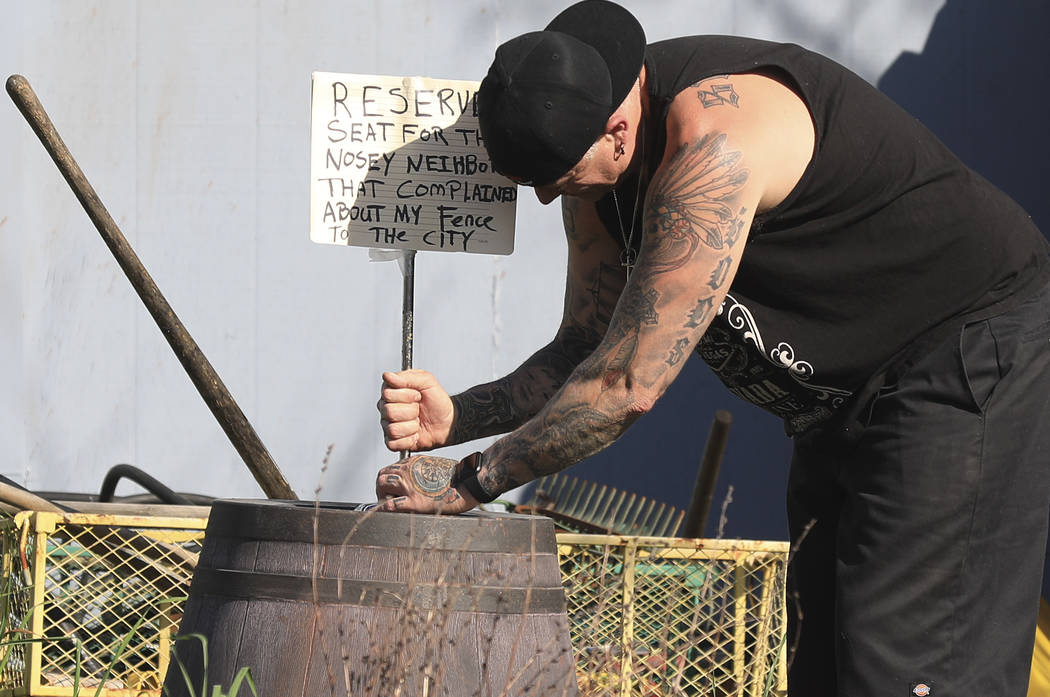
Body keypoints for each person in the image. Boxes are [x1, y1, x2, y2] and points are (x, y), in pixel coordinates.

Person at [374, 1, 1050, 694]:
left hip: (962, 355)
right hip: (842, 397)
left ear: (617, 128)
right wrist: (461, 416)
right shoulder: (595, 141)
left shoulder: (713, 146)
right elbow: (588, 342)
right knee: (823, 664)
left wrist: (472, 480)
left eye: (561, 179)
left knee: (907, 667)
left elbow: (622, 386)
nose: (553, 200)